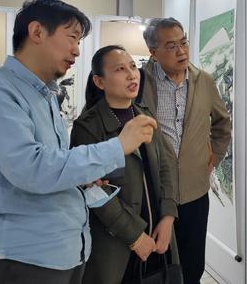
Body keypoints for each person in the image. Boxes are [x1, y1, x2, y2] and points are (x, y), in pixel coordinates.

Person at [0, 0, 157, 284]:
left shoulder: (46, 97)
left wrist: (82, 178)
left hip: (65, 253)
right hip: (25, 257)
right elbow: (31, 168)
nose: (77, 50)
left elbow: (53, 167)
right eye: (72, 38)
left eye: (79, 41)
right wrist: (118, 146)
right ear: (37, 32)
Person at [70, 45, 179, 284]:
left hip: (158, 232)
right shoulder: (88, 127)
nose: (131, 75)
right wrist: (135, 237)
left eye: (132, 67)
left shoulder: (144, 115)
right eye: (120, 69)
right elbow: (93, 189)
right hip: (116, 243)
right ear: (99, 82)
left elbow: (166, 167)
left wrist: (168, 216)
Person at [140, 17, 232, 284]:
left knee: (192, 264)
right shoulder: (140, 82)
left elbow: (222, 123)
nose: (181, 51)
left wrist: (213, 157)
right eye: (171, 46)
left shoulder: (203, 81)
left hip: (194, 190)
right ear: (153, 52)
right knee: (156, 265)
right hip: (154, 191)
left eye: (183, 43)